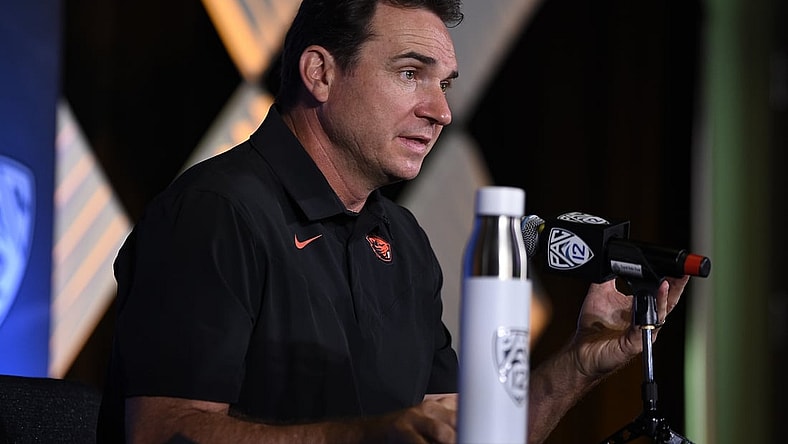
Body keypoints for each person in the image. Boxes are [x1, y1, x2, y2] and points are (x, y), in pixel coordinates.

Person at [96, 0, 691, 443]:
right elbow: (159, 431)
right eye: (411, 74)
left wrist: (579, 362)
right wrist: (368, 436)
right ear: (320, 73)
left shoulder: (403, 241)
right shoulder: (214, 214)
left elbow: (466, 433)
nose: (440, 112)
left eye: (444, 83)